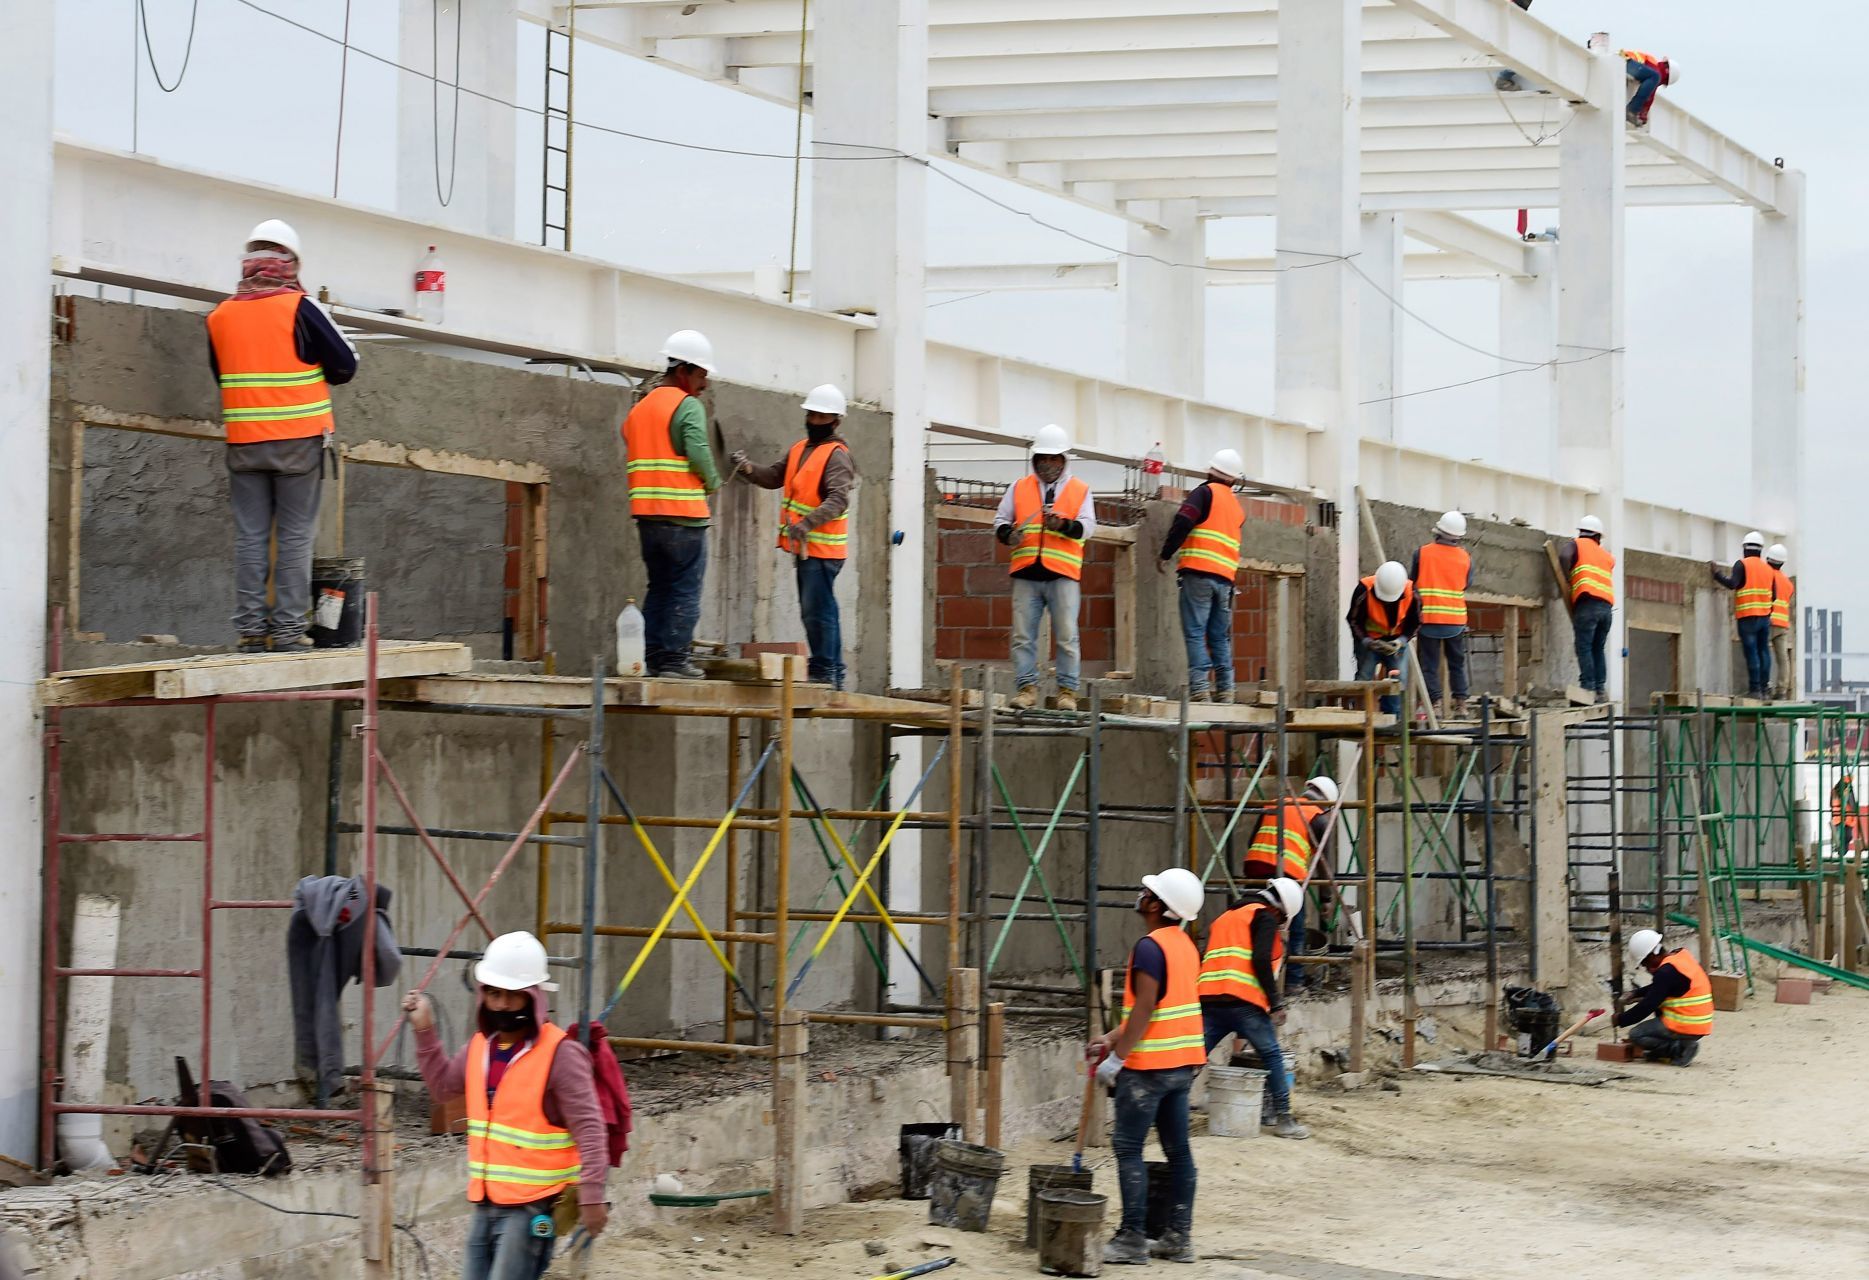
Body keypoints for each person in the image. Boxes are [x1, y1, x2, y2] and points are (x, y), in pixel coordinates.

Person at [404, 932, 611, 1280]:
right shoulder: (479, 1048)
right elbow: (442, 1087)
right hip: (486, 1203)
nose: (501, 1005)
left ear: (533, 998)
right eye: (494, 993)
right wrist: (424, 1029)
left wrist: (592, 1194)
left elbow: (590, 1128)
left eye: (513, 996)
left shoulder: (561, 1055)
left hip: (533, 1209)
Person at [205, 220, 358, 652]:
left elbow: (224, 376)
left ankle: (252, 632)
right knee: (293, 537)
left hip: (244, 444)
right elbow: (345, 366)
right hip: (298, 442)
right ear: (290, 263)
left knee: (251, 537)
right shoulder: (300, 308)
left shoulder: (220, 317)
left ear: (249, 263)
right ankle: (289, 632)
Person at [1090, 867, 1207, 1265]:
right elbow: (1161, 1007)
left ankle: (1132, 1239)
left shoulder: (1148, 947)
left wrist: (1118, 1058)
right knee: (1179, 1153)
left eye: (1148, 892)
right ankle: (1178, 1238)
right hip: (1182, 1064)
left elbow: (1144, 1007)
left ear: (1158, 906)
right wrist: (1110, 1038)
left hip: (1148, 1068)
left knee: (1127, 1148)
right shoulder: (1185, 946)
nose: (1141, 894)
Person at [733, 384, 856, 689]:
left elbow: (839, 499)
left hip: (822, 549)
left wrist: (806, 524)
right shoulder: (800, 449)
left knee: (818, 610)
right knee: (819, 608)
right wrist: (748, 469)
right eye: (811, 414)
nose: (814, 421)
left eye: (821, 416)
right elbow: (775, 475)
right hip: (807, 548)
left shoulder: (837, 456)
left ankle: (827, 668)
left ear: (835, 421)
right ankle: (831, 669)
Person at [622, 330, 723, 679]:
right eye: (700, 376)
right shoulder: (687, 406)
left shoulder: (640, 409)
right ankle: (675, 660)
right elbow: (698, 450)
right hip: (684, 518)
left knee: (659, 588)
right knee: (685, 589)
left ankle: (651, 658)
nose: (703, 385)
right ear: (684, 371)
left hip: (648, 520)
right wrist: (713, 482)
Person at [994, 424, 1097, 712]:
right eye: (1043, 459)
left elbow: (1087, 527)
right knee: (1023, 635)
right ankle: (1026, 689)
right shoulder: (1020, 487)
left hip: (1062, 574)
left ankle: (1067, 691)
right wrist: (1008, 535)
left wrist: (1063, 525)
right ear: (1035, 459)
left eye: (1053, 459)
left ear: (1064, 461)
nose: (1047, 464)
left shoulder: (1079, 490)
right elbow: (1001, 520)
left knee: (1066, 635)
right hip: (1027, 572)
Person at [1198, 877, 1310, 1140]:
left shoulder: (1225, 917)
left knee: (1193, 1057)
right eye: (1283, 918)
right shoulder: (1264, 918)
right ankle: (1284, 1119)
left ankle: (1168, 1113)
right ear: (1280, 909)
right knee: (1271, 1055)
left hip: (1210, 998)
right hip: (1243, 1001)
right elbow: (1260, 959)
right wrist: (1275, 1002)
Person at [1158, 449, 1246, 704]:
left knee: (1195, 632)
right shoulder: (1236, 508)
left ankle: (1200, 688)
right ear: (1234, 479)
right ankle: (1226, 689)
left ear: (1210, 471)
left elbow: (1184, 521)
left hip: (1199, 574)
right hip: (1226, 580)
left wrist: (1165, 554)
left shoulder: (1204, 493)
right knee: (1219, 636)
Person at [1243, 777, 1336, 993]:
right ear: (1327, 803)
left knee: (1252, 922)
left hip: (1255, 867)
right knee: (1295, 928)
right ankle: (1293, 982)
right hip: (1287, 875)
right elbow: (1324, 864)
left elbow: (1251, 841)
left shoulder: (1274, 804)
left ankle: (1249, 978)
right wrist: (1326, 899)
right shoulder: (1319, 818)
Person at [1614, 929, 1712, 1066]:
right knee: (1657, 1017)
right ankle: (1679, 1046)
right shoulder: (1680, 957)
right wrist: (1636, 993)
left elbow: (1647, 1006)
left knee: (1636, 1035)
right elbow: (1661, 987)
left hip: (1686, 1024)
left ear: (1652, 955)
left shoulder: (1665, 972)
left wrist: (1621, 1019)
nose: (1646, 968)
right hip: (1700, 1023)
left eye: (1645, 963)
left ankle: (1677, 1050)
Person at [1411, 511, 1475, 719]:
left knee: (1429, 664)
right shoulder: (1466, 558)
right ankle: (1461, 706)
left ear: (1437, 532)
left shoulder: (1422, 553)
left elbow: (1412, 584)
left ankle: (1435, 706)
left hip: (1429, 620)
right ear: (1458, 536)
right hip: (1455, 621)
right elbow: (1466, 584)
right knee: (1457, 664)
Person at [1346, 560, 1418, 716]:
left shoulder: (1413, 593)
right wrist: (1366, 641)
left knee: (1398, 680)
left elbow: (1416, 622)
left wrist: (1401, 641)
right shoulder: (1364, 589)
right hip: (1369, 641)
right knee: (1364, 678)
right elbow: (1353, 620)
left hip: (1396, 642)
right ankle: (1360, 718)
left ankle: (1392, 718)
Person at [1559, 515, 1616, 704]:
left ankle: (1588, 688)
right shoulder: (1606, 556)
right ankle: (1600, 690)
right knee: (1597, 648)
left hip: (1587, 604)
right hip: (1606, 608)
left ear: (1582, 532)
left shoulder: (1577, 545)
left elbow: (1564, 556)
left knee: (1584, 647)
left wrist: (1568, 578)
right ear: (1598, 537)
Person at [1710, 532, 1774, 698]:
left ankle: (1755, 690)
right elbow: (1773, 595)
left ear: (1745, 548)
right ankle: (1764, 689)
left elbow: (1732, 584)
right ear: (1760, 550)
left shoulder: (1742, 565)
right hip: (1764, 617)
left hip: (1747, 617)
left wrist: (1717, 574)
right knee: (1764, 652)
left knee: (1751, 652)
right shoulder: (1768, 570)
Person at [1621, 49, 1679, 130]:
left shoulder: (1651, 66)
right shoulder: (1655, 70)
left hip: (1624, 61)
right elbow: (1650, 96)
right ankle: (1632, 110)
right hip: (1624, 62)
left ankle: (1632, 110)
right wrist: (1643, 114)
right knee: (1655, 77)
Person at [1767, 544, 1794, 699]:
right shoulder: (1788, 582)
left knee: (1763, 654)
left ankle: (1764, 687)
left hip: (1768, 620)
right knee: (1783, 659)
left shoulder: (1766, 575)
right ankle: (1781, 691)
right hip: (1782, 624)